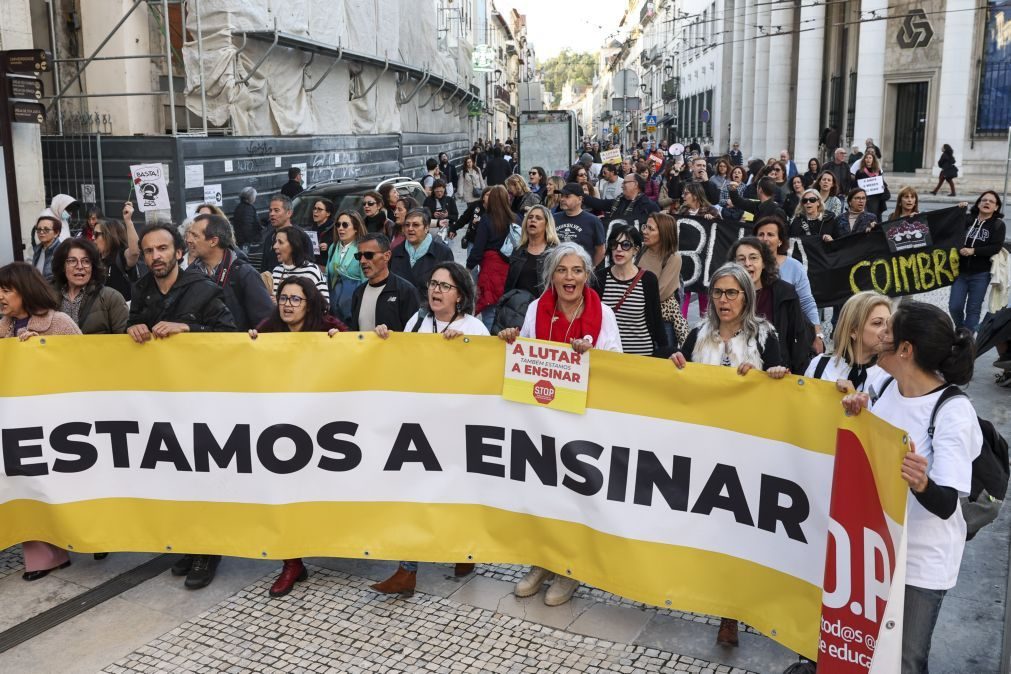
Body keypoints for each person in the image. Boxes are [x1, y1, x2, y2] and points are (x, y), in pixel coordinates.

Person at [841, 302, 980, 674]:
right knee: (866, 652)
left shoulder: (952, 411)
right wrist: (857, 411)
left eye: (888, 330)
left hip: (921, 562)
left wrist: (921, 482)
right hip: (876, 548)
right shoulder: (882, 384)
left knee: (906, 660)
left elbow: (948, 503)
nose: (879, 336)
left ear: (905, 349)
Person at [498, 242, 621, 606]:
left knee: (576, 496)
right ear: (552, 275)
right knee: (544, 492)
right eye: (562, 270)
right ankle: (542, 562)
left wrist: (593, 355)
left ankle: (570, 569)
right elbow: (529, 353)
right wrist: (512, 340)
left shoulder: (604, 314)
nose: (570, 278)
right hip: (546, 419)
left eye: (577, 271)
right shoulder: (538, 308)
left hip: (586, 422)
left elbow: (619, 367)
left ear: (587, 275)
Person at [247, 277, 345, 597]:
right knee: (285, 491)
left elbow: (359, 351)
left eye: (296, 300)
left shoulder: (327, 325)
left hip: (323, 425)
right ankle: (292, 562)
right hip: (284, 429)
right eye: (283, 298)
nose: (288, 305)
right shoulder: (269, 327)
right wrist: (248, 343)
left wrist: (342, 341)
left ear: (310, 303)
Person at [0, 262, 82, 581]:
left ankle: (85, 539)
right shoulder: (3, 328)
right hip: (17, 425)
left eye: (7, 290)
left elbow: (87, 363)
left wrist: (44, 354)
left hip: (58, 425)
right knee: (23, 486)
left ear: (26, 290)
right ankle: (43, 556)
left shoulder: (58, 322)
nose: (1, 297)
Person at [729, 237, 812, 373]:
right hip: (735, 372)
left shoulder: (785, 293)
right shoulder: (725, 294)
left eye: (754, 258)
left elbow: (798, 338)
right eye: (741, 259)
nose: (747, 263)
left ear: (764, 263)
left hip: (775, 373)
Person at [594, 223, 669, 357]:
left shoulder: (648, 280)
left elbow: (657, 321)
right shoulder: (600, 278)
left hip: (641, 355)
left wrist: (665, 353)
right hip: (608, 355)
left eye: (625, 245)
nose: (618, 249)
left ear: (636, 250)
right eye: (614, 244)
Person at [190, 213, 273, 331]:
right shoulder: (190, 274)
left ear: (213, 241)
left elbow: (266, 322)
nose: (188, 240)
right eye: (189, 234)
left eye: (195, 236)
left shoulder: (244, 274)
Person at [753, 216, 822, 353]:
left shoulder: (794, 267)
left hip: (787, 337)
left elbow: (807, 302)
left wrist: (818, 336)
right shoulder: (747, 267)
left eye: (770, 234)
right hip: (752, 336)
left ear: (780, 241)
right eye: (761, 234)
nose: (765, 238)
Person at [805, 291, 891, 395]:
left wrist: (856, 399)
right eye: (877, 323)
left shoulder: (890, 375)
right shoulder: (820, 365)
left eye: (889, 323)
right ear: (853, 331)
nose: (887, 330)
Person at [495, 205, 560, 331]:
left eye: (538, 218)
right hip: (517, 311)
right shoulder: (519, 250)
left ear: (547, 224)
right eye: (530, 217)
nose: (533, 220)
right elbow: (510, 284)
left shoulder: (555, 253)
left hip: (545, 312)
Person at [949, 191, 1006, 332]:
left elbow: (996, 247)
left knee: (973, 309)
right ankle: (961, 328)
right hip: (960, 272)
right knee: (954, 306)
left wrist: (974, 251)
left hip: (981, 274)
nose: (987, 203)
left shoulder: (998, 225)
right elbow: (950, 231)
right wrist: (958, 211)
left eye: (991, 201)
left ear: (996, 207)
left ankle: (967, 341)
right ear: (978, 203)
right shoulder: (967, 219)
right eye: (984, 200)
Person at [52, 238, 128, 334]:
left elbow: (125, 340)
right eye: (72, 261)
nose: (79, 266)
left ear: (93, 266)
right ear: (62, 266)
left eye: (86, 261)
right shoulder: (48, 298)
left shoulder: (111, 298)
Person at [467, 185, 517, 327]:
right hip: (510, 267)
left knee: (489, 309)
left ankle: (491, 339)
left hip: (490, 268)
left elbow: (478, 248)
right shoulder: (516, 219)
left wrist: (469, 267)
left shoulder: (487, 220)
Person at [347, 233, 420, 332]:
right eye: (359, 256)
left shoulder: (406, 291)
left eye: (369, 255)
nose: (362, 261)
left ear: (387, 256)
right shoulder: (358, 293)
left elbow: (415, 334)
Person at [638, 212, 687, 347]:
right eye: (645, 227)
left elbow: (660, 293)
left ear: (664, 233)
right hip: (640, 316)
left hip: (661, 319)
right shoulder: (642, 250)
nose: (645, 232)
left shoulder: (673, 257)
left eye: (651, 229)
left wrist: (634, 297)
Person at [390, 207, 455, 297]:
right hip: (400, 307)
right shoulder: (396, 252)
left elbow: (448, 287)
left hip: (429, 308)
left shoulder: (443, 253)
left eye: (415, 225)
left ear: (426, 228)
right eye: (407, 225)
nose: (410, 229)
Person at [326, 210, 367, 322]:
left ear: (356, 228)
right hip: (334, 308)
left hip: (353, 307)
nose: (340, 228)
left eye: (345, 225)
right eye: (338, 224)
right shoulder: (333, 247)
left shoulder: (362, 249)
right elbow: (328, 276)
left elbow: (366, 280)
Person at [270, 226, 329, 303]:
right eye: (275, 242)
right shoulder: (277, 271)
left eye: (280, 242)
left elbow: (324, 305)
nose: (275, 246)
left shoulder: (311, 271)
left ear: (294, 245)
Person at [553, 183, 607, 266]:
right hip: (557, 268)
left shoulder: (593, 221)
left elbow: (600, 249)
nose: (562, 199)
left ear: (580, 199)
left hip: (581, 271)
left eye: (567, 196)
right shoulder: (553, 218)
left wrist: (590, 267)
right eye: (562, 196)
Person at [584, 173, 661, 230]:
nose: (622, 186)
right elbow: (599, 203)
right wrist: (580, 194)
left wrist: (607, 219)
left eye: (625, 183)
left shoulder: (649, 206)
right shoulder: (619, 201)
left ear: (635, 184)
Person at [95, 213, 140, 300]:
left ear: (109, 235)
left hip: (122, 310)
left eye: (97, 234)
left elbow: (134, 252)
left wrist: (128, 221)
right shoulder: (96, 257)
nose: (93, 237)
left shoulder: (121, 255)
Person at [259, 195, 293, 272]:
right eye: (270, 210)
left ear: (289, 213)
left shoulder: (300, 236)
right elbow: (264, 268)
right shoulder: (269, 237)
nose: (272, 214)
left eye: (276, 210)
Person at [854, 151, 889, 220]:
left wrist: (883, 188)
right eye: (866, 158)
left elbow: (882, 183)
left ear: (873, 160)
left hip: (876, 199)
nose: (868, 159)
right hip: (865, 200)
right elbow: (855, 186)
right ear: (864, 160)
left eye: (870, 158)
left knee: (876, 219)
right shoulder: (860, 172)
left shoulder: (878, 171)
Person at [31, 210, 63, 282]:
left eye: (46, 229)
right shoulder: (38, 249)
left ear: (56, 233)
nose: (41, 232)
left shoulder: (61, 251)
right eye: (39, 229)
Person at [457, 156, 485, 221]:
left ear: (472, 162)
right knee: (471, 210)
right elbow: (460, 184)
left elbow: (481, 180)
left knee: (478, 209)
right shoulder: (463, 172)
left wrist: (484, 189)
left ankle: (478, 220)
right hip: (468, 194)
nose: (469, 163)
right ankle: (472, 221)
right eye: (467, 162)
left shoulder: (477, 169)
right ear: (465, 163)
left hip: (477, 193)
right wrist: (460, 194)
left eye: (470, 162)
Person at [308, 197, 336, 262]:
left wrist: (328, 246)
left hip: (326, 265)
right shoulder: (310, 229)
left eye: (319, 209)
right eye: (314, 208)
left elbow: (340, 246)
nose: (315, 211)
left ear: (328, 213)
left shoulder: (335, 229)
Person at [233, 186, 260, 251]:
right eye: (254, 197)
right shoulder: (248, 209)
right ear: (250, 197)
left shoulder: (239, 206)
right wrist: (251, 240)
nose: (255, 198)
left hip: (239, 239)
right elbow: (247, 227)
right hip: (245, 242)